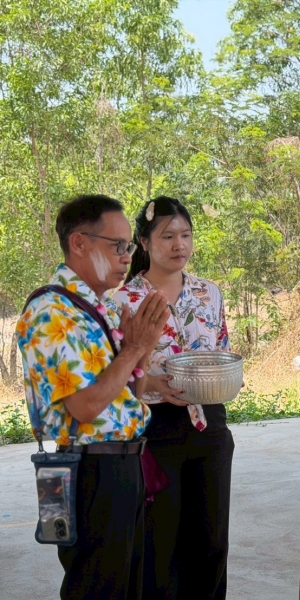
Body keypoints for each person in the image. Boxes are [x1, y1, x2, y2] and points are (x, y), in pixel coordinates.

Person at [16, 194, 171, 600]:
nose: (127, 257)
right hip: (91, 472)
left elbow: (129, 399)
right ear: (79, 243)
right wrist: (132, 350)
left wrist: (142, 350)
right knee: (97, 589)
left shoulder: (96, 309)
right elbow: (85, 407)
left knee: (128, 587)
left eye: (129, 246)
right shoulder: (52, 311)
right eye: (117, 245)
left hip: (124, 465)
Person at [112, 196, 234, 600]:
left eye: (185, 234)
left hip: (209, 424)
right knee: (158, 543)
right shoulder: (124, 301)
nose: (179, 244)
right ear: (145, 242)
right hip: (155, 429)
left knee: (211, 540)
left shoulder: (209, 293)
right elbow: (115, 376)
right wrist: (153, 384)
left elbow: (221, 349)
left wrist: (227, 379)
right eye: (167, 236)